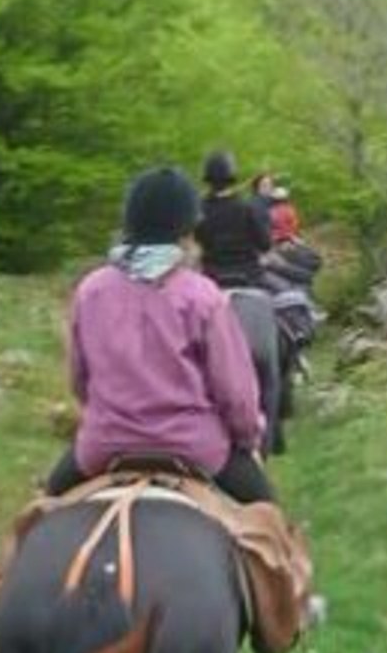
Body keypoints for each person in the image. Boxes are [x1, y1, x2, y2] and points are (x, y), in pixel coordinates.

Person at [44, 166, 276, 504]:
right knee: (269, 517)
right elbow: (235, 394)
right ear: (186, 228)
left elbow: (79, 381)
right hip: (195, 449)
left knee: (41, 511)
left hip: (104, 446)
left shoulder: (91, 290)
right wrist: (248, 437)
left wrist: (111, 419)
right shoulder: (202, 296)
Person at [194, 151, 273, 290]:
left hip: (212, 278)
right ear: (231, 177)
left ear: (208, 179)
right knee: (290, 293)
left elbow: (198, 241)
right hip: (250, 276)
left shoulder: (199, 209)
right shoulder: (246, 208)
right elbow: (265, 244)